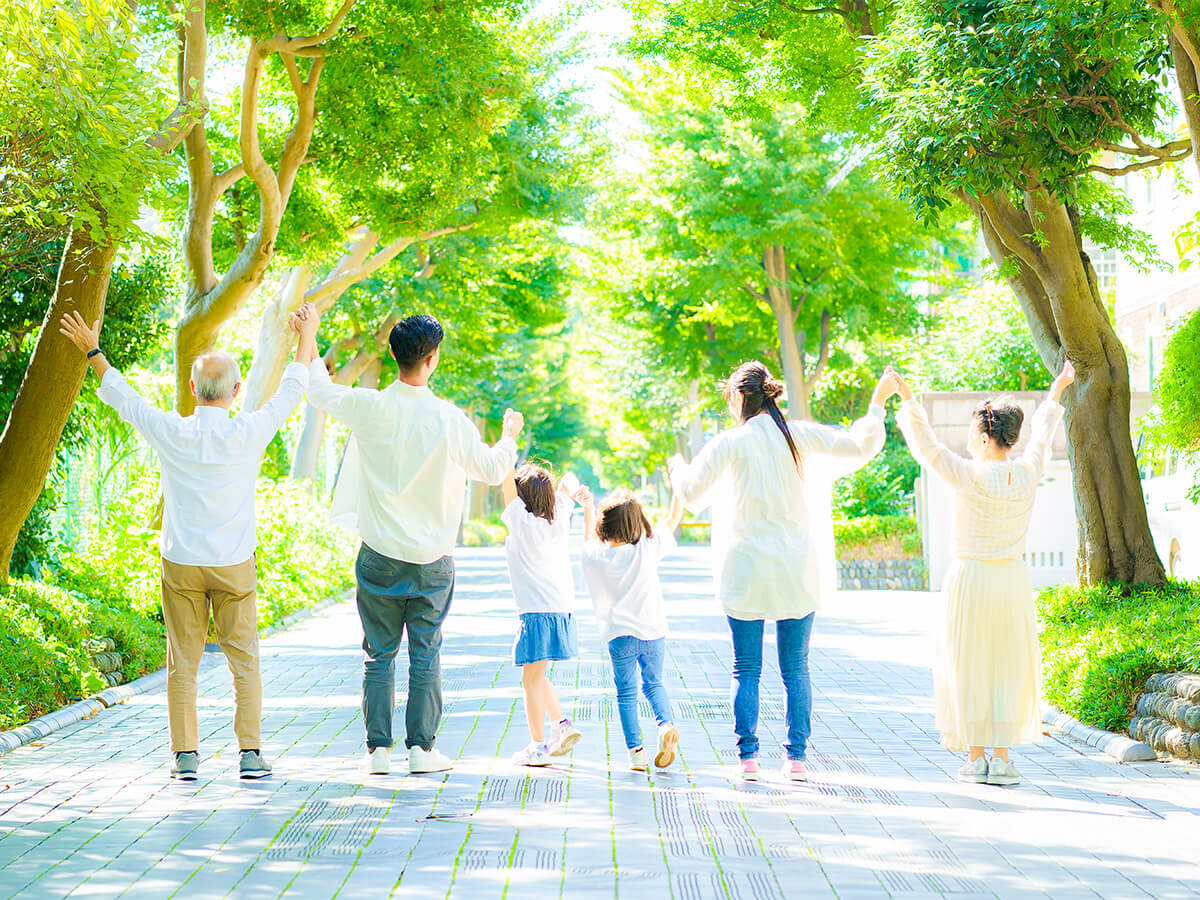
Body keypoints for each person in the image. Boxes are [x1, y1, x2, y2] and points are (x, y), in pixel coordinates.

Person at [58, 309, 316, 782]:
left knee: (183, 661)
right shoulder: (249, 432)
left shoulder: (172, 432)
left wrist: (93, 350)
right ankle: (251, 754)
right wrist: (308, 333)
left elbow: (126, 398)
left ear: (195, 390)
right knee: (245, 660)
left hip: (180, 563)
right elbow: (292, 391)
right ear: (236, 392)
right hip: (234, 564)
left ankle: (185, 758)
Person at [292, 306, 523, 776]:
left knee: (378, 654)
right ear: (432, 358)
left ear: (394, 355)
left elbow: (316, 390)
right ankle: (422, 749)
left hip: (378, 555)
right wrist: (509, 436)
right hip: (432, 559)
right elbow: (495, 469)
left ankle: (377, 752)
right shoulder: (449, 419)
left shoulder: (370, 405)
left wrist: (310, 333)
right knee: (426, 652)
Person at [668, 361, 896, 782]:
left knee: (746, 668)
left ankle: (749, 760)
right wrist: (877, 403)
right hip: (795, 568)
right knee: (796, 668)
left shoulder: (730, 443)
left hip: (746, 570)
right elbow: (858, 446)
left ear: (738, 397)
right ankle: (796, 760)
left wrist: (677, 469)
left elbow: (692, 493)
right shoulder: (802, 436)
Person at [892, 361, 1074, 786]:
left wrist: (908, 401)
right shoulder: (1027, 473)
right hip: (1011, 580)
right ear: (1011, 435)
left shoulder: (969, 474)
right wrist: (1057, 389)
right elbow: (1044, 434)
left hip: (971, 579)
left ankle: (975, 758)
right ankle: (1004, 759)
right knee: (1007, 664)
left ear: (982, 433)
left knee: (970, 663)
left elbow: (929, 449)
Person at [580, 487, 684, 772]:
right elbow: (673, 519)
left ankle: (636, 754)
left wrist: (589, 508)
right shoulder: (647, 549)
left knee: (626, 694)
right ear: (638, 523)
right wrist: (679, 486)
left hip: (619, 636)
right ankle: (665, 726)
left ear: (606, 525)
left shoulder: (596, 557)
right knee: (654, 683)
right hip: (652, 632)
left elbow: (588, 540)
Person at [500, 464, 586, 766]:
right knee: (536, 676)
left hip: (536, 612)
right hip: (560, 610)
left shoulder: (521, 523)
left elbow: (503, 480)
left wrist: (508, 438)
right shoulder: (560, 516)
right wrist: (572, 489)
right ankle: (562, 725)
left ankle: (537, 746)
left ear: (522, 498)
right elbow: (568, 480)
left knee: (530, 680)